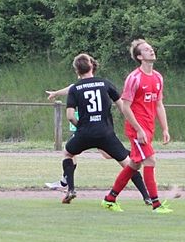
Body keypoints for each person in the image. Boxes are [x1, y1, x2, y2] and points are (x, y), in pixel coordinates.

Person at [56, 53, 148, 205]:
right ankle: (146, 196)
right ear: (92, 66)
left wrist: (81, 128)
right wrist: (135, 126)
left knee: (68, 153)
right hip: (105, 133)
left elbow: (70, 116)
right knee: (127, 163)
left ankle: (70, 189)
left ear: (77, 71)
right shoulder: (105, 83)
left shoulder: (75, 88)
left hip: (85, 133)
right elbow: (123, 107)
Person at [102, 39, 172, 213]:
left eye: (151, 48)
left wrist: (165, 128)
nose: (151, 51)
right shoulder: (134, 78)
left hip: (149, 128)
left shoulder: (158, 77)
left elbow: (159, 104)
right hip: (137, 129)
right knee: (150, 160)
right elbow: (125, 107)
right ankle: (156, 204)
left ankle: (110, 198)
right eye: (146, 49)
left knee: (134, 165)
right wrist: (139, 129)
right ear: (139, 57)